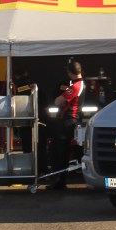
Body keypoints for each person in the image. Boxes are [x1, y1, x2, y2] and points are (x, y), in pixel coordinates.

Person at [47, 59, 85, 190]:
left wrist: (60, 100)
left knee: (60, 152)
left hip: (67, 121)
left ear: (70, 73)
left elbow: (58, 101)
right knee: (60, 150)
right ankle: (60, 179)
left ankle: (60, 181)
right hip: (71, 120)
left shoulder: (75, 86)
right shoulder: (80, 84)